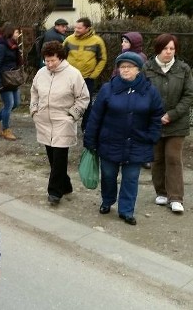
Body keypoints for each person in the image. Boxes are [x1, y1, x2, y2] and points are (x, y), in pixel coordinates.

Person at [84, 52, 163, 224]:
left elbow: (157, 116)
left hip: (137, 143)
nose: (125, 70)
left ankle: (126, 210)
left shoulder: (149, 91)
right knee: (108, 175)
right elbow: (95, 116)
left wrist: (152, 136)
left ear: (138, 70)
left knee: (131, 178)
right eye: (122, 67)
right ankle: (107, 200)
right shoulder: (108, 88)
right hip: (110, 141)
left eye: (129, 67)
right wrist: (90, 139)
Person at [30, 41, 90, 205]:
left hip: (63, 121)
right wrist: (34, 110)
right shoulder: (41, 73)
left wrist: (72, 115)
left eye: (52, 61)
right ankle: (66, 184)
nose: (49, 64)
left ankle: (54, 192)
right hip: (44, 121)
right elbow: (34, 91)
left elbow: (83, 97)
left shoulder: (73, 74)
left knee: (59, 158)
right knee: (52, 158)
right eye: (46, 61)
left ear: (61, 58)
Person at [143, 34, 193, 214]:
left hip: (176, 123)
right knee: (157, 158)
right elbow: (143, 92)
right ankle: (161, 192)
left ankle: (176, 198)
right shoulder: (147, 68)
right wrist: (155, 115)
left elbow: (188, 95)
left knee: (173, 158)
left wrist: (171, 114)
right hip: (154, 122)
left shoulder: (183, 69)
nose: (169, 52)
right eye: (165, 49)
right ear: (158, 49)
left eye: (172, 49)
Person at [63, 17, 107, 132]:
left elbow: (102, 59)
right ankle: (67, 125)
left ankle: (85, 127)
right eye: (75, 27)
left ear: (87, 28)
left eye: (79, 28)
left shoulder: (97, 41)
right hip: (69, 78)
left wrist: (94, 75)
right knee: (67, 101)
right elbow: (61, 56)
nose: (76, 29)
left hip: (87, 78)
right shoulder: (68, 40)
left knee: (86, 104)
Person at [0, 23, 23, 141]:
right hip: (4, 80)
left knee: (16, 103)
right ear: (10, 32)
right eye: (17, 32)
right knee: (9, 104)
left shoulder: (12, 44)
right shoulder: (1, 46)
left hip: (12, 79)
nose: (18, 34)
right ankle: (6, 129)